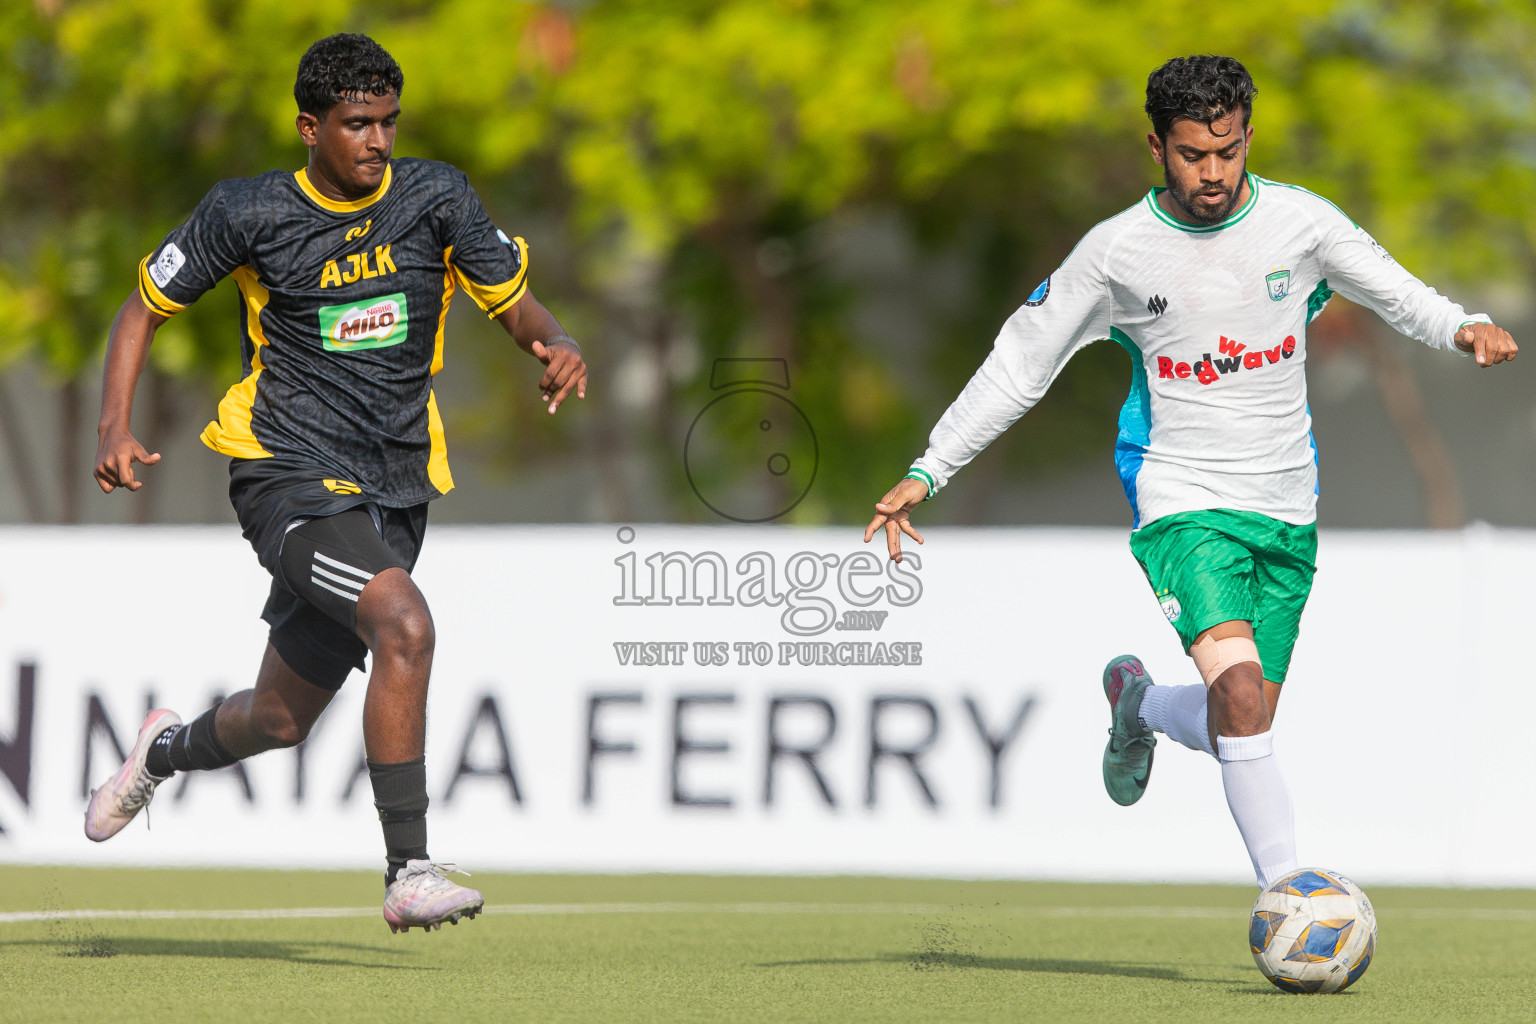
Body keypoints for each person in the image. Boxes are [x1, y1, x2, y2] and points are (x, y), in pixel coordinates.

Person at [864, 55, 1515, 888]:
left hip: (1286, 504)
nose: (1212, 172)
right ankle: (1290, 901)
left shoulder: (1300, 225)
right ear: (1155, 148)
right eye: (1190, 155)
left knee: (1242, 720)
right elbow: (1019, 363)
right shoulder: (1116, 254)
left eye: (1227, 150)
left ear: (1247, 138)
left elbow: (1394, 291)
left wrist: (1465, 325)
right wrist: (931, 467)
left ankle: (1138, 705)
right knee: (1241, 698)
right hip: (1180, 498)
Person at [85, 33, 587, 932]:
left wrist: (558, 341)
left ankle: (160, 751)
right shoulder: (247, 213)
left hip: (395, 487)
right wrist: (113, 424)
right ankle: (410, 870)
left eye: (389, 121)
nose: (378, 141)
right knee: (407, 622)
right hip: (284, 473)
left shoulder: (437, 197)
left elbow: (514, 303)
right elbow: (142, 309)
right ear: (310, 127)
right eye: (359, 124)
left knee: (277, 720)